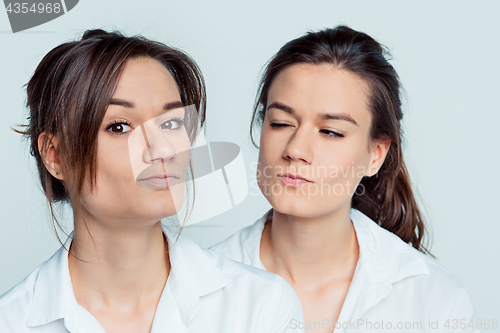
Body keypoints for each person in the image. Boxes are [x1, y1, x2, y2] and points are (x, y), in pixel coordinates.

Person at [0, 29, 304, 333]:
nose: (163, 149)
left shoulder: (259, 305)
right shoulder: (11, 322)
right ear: (55, 155)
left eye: (171, 123)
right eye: (119, 126)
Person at [211, 26, 478, 333]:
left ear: (375, 155)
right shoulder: (195, 287)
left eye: (330, 132)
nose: (295, 150)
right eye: (281, 123)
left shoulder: (432, 300)